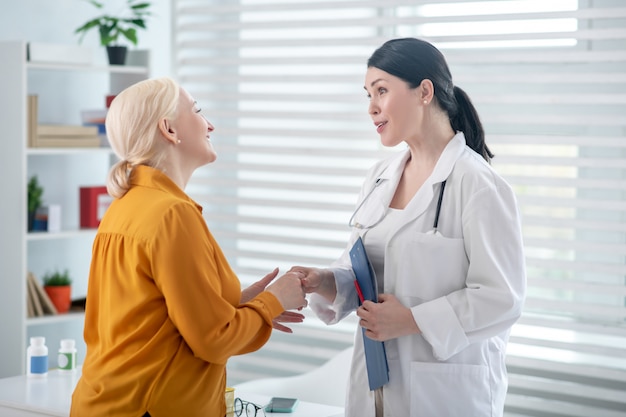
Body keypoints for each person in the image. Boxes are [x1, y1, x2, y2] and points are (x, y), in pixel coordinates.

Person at [291, 38, 526, 417]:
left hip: (444, 395)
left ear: (425, 92)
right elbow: (370, 272)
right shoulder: (380, 178)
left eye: (381, 90)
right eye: (368, 94)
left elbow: (502, 298)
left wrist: (413, 320)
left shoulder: (478, 185)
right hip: (375, 389)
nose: (371, 107)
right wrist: (327, 280)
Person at [70, 77, 308, 417]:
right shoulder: (172, 214)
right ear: (168, 129)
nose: (210, 124)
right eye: (197, 111)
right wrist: (273, 301)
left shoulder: (124, 207)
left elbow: (151, 319)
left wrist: (243, 302)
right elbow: (215, 340)